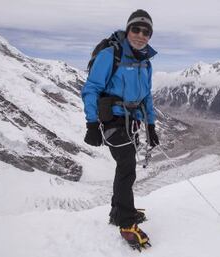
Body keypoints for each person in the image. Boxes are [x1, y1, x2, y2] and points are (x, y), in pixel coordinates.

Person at [81, 9, 159, 249]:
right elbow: (91, 88)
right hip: (112, 119)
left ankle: (118, 212)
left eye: (146, 31)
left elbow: (146, 97)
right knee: (127, 168)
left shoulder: (145, 62)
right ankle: (126, 224)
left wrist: (151, 125)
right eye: (136, 29)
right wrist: (92, 124)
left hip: (132, 121)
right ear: (128, 30)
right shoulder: (110, 55)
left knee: (125, 166)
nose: (140, 34)